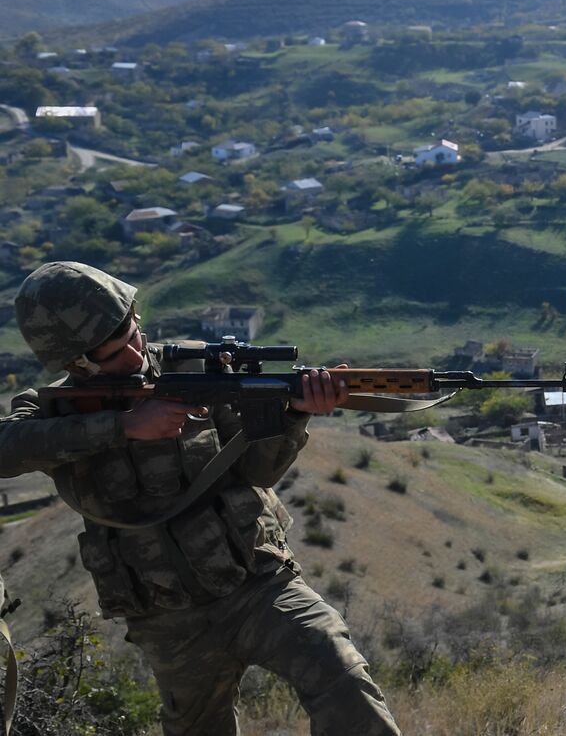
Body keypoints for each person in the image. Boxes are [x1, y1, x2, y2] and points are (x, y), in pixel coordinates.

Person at [0, 261, 399, 736]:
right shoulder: (48, 408)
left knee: (343, 678)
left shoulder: (197, 370)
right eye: (113, 353)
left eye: (131, 331)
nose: (134, 351)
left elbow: (257, 471)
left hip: (258, 584)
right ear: (75, 362)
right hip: (168, 618)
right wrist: (124, 426)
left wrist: (294, 414)